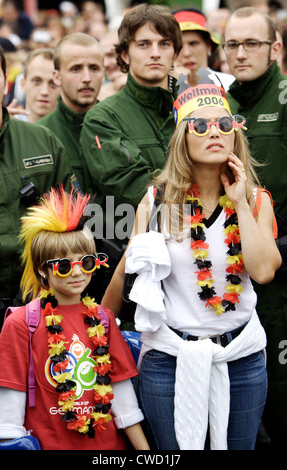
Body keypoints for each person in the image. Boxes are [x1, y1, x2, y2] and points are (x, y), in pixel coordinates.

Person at [101, 68, 281, 450]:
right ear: (182, 138)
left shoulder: (256, 199)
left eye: (222, 123)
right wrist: (98, 334)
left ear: (235, 132)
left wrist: (240, 205)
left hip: (242, 357)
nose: (213, 131)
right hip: (169, 357)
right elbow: (126, 271)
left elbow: (264, 271)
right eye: (199, 125)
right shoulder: (157, 202)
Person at [0, 187, 150, 450]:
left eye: (85, 263)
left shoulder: (103, 318)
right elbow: (9, 414)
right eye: (64, 266)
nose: (77, 273)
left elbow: (123, 399)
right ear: (42, 270)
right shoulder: (20, 323)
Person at [0, 34, 74, 440]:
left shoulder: (41, 143)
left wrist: (45, 287)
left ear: (7, 80)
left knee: (45, 420)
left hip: (39, 309)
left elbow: (73, 229)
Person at [223, 6, 287, 448]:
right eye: (232, 44)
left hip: (279, 272)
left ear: (275, 48)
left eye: (252, 44)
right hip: (228, 271)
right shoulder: (219, 102)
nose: (241, 53)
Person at [80, 4, 182, 247]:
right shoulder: (102, 118)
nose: (155, 53)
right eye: (143, 44)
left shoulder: (195, 107)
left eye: (164, 44)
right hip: (136, 250)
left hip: (201, 248)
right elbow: (133, 187)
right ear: (125, 54)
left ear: (175, 53)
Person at [38, 33, 105, 194]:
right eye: (76, 69)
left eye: (94, 68)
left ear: (103, 74)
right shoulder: (40, 135)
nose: (87, 78)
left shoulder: (120, 125)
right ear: (57, 77)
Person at [172, 8, 234, 90]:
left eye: (193, 43)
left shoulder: (230, 85)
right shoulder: (164, 92)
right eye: (179, 46)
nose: (186, 53)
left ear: (208, 46)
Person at [10, 48, 61, 123]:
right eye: (37, 81)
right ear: (23, 84)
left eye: (53, 83)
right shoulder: (5, 127)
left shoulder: (72, 131)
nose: (44, 92)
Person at [98, 29, 127, 101]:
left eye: (111, 55)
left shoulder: (153, 83)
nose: (105, 64)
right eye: (102, 57)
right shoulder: (99, 94)